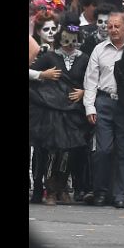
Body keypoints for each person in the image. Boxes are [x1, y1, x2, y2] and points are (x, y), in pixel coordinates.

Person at [29, 18, 90, 206]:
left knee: (68, 152)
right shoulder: (49, 57)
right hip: (51, 114)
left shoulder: (85, 58)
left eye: (74, 40)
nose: (70, 45)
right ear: (59, 39)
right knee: (51, 151)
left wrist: (85, 92)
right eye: (66, 40)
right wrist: (42, 74)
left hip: (73, 113)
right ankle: (49, 190)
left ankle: (62, 186)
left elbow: (94, 79)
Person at [83, 12, 124, 208]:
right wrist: (89, 107)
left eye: (117, 26)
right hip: (103, 102)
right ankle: (100, 192)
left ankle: (121, 194)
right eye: (110, 26)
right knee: (102, 150)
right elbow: (90, 80)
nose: (112, 30)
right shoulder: (99, 49)